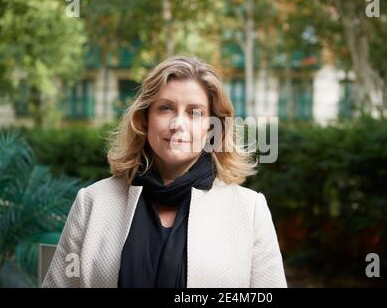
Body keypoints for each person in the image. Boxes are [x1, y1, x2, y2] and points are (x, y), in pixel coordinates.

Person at [42, 56, 287, 288]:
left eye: (195, 112)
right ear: (144, 119)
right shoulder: (93, 203)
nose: (178, 124)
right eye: (165, 108)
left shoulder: (249, 210)